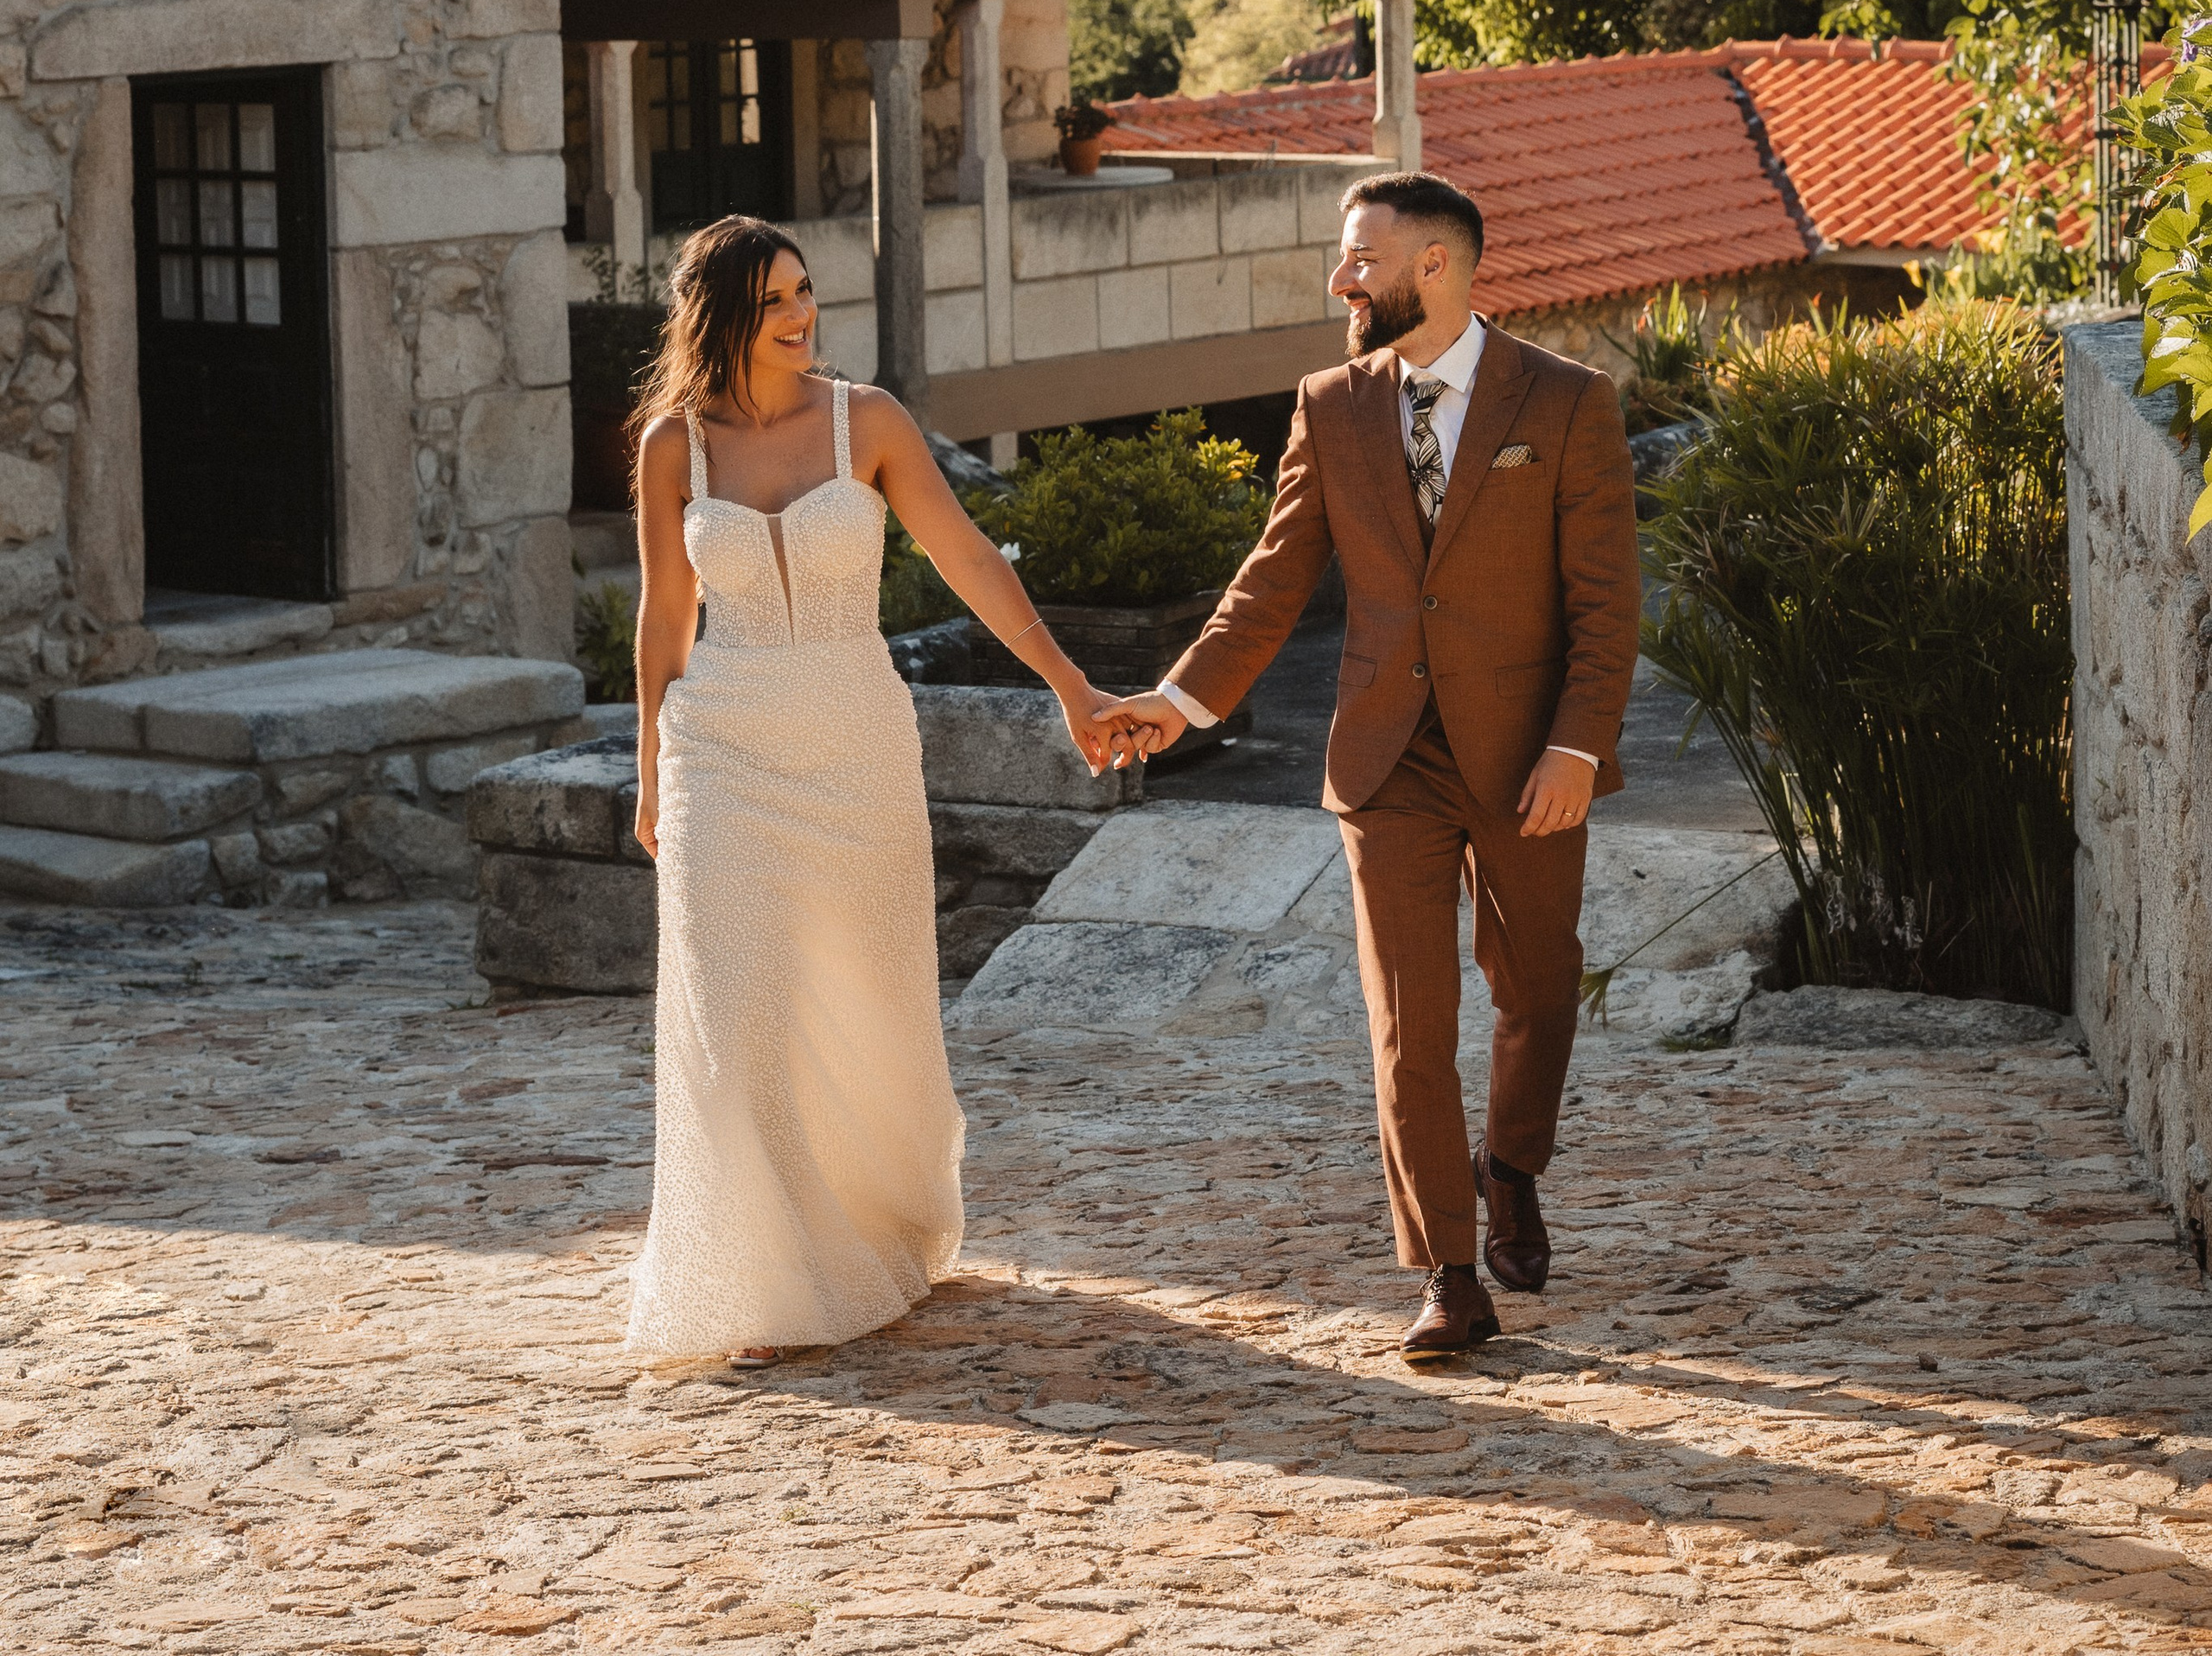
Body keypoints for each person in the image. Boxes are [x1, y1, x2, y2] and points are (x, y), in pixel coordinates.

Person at [1104, 171, 1642, 1361]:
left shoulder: (1565, 403)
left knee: (1538, 987)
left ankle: (1513, 1166)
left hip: (1526, 759)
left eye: (1361, 259)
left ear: (1437, 266)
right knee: (1409, 1021)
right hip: (1384, 759)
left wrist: (1574, 745)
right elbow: (1275, 577)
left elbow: (1606, 609)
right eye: (1344, 260)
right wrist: (1179, 700)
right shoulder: (1331, 404)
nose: (1341, 279)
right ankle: (1449, 1272)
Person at [622, 213, 1130, 1366]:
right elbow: (665, 617)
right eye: (776, 303)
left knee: (864, 994)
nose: (803, 318)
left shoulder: (870, 421)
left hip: (855, 738)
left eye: (807, 294)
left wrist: (1067, 683)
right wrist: (651, 768)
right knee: (735, 1009)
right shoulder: (673, 447)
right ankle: (763, 1281)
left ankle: (872, 1223)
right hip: (723, 749)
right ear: (723, 320)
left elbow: (971, 560)